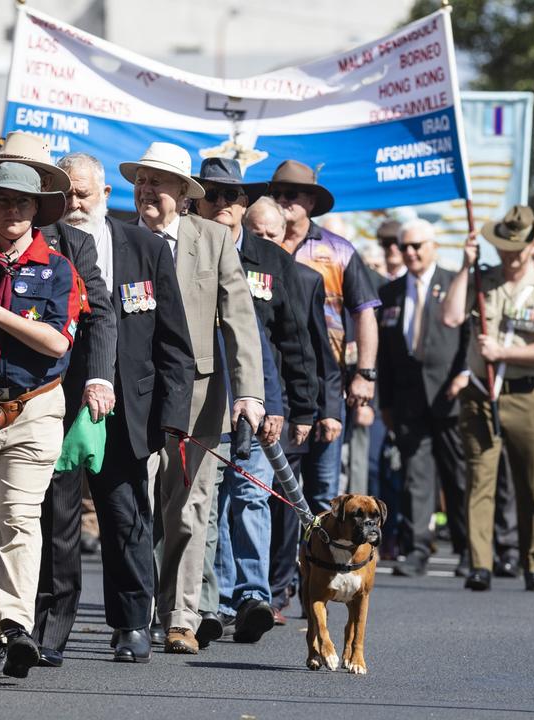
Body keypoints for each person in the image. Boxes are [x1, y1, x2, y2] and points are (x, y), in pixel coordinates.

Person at [33, 152, 192, 664]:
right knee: (56, 520)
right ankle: (51, 631)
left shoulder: (143, 247)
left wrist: (173, 416)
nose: (75, 203)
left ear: (105, 195)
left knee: (126, 517)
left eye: (84, 193)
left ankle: (130, 623)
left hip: (126, 407)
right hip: (54, 400)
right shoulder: (45, 244)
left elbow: (173, 340)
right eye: (67, 194)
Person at [121, 142, 263, 654]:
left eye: (158, 182)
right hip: (132, 392)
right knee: (135, 505)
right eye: (141, 181)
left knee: (189, 509)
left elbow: (239, 320)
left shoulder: (214, 240)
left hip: (200, 397)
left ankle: (180, 617)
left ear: (183, 193)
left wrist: (249, 393)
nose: (146, 190)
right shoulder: (121, 239)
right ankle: (136, 615)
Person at [0, 162, 84, 679]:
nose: (13, 211)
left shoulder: (57, 269)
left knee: (20, 519)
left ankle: (15, 626)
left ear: (37, 212)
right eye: (3, 201)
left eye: (23, 203)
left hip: (35, 409)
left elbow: (57, 341)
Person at [189, 157, 315, 644]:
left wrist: (298, 407)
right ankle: (216, 603)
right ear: (197, 200)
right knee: (211, 505)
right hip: (202, 402)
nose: (222, 204)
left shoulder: (273, 261)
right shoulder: (184, 251)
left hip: (262, 402)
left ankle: (253, 597)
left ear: (245, 203)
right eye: (212, 195)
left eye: (232, 196)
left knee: (251, 498)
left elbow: (293, 344)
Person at [442, 205, 534, 592]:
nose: (510, 256)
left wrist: (503, 353)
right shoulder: (483, 281)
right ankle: (481, 564)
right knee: (480, 480)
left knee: (532, 483)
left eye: (517, 248)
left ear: (532, 246)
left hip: (526, 396)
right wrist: (466, 267)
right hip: (482, 394)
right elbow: (449, 317)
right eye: (504, 248)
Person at [245, 198, 341, 625]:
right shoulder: (234, 269)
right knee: (248, 496)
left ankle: (279, 587)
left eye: (272, 234)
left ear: (287, 237)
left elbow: (318, 352)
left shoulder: (304, 278)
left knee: (283, 502)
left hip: (285, 404)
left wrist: (319, 408)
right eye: (258, 233)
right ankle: (250, 589)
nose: (265, 241)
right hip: (248, 399)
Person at [267, 159, 379, 513]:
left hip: (327, 379)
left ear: (311, 202)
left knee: (322, 490)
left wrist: (365, 372)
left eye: (292, 194)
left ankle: (320, 566)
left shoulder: (339, 250)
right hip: (277, 379)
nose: (283, 200)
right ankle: (280, 569)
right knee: (275, 487)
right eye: (277, 193)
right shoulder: (262, 243)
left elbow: (365, 312)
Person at [376, 218, 469, 577]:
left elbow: (468, 337)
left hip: (448, 395)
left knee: (457, 477)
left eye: (417, 246)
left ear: (433, 246)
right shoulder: (390, 292)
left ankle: (466, 548)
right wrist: (385, 402)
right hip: (408, 398)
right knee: (416, 475)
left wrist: (463, 375)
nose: (411, 253)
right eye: (406, 247)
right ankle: (416, 549)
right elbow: (384, 354)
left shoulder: (454, 283)